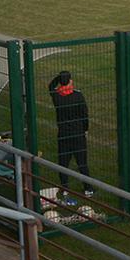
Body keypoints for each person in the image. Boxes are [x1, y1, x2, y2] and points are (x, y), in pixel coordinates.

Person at [48, 71, 92, 200]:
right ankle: (88, 188)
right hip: (78, 133)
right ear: (70, 81)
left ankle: (65, 188)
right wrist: (85, 129)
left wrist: (59, 77)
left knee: (63, 162)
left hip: (63, 134)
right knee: (82, 162)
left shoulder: (57, 97)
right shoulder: (78, 96)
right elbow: (84, 114)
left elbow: (51, 86)